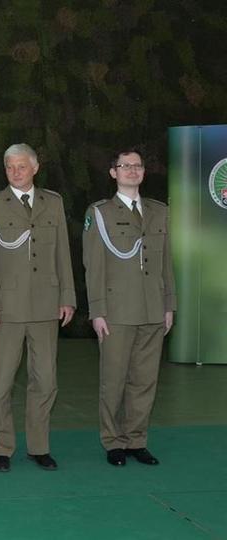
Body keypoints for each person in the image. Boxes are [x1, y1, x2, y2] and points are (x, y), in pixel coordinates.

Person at [0, 143, 76, 472]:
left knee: (45, 380)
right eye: (9, 167)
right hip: (7, 307)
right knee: (1, 381)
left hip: (46, 305)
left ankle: (39, 446)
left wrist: (68, 297)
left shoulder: (54, 203)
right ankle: (1, 446)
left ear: (35, 167)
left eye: (21, 166)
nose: (15, 172)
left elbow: (63, 253)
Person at [83, 150, 175, 467]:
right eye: (125, 166)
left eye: (137, 166)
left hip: (152, 308)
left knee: (145, 380)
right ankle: (113, 442)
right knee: (114, 379)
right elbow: (92, 266)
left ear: (144, 172)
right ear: (113, 173)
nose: (131, 171)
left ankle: (137, 440)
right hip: (117, 311)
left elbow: (166, 264)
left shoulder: (159, 212)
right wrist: (97, 311)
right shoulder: (100, 213)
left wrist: (169, 304)